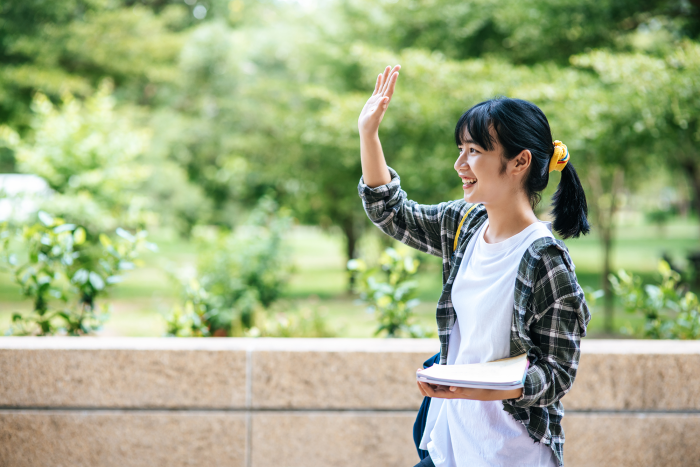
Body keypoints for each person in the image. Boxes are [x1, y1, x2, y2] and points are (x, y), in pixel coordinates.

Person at [357, 65, 591, 467]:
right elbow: (392, 211)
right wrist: (368, 134)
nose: (459, 164)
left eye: (475, 152)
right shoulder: (465, 224)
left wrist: (498, 389)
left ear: (519, 163)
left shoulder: (545, 259)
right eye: (461, 150)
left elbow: (558, 373)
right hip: (450, 442)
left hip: (509, 451)